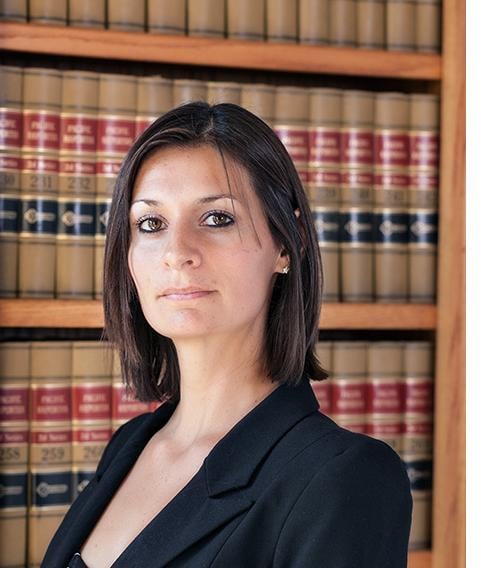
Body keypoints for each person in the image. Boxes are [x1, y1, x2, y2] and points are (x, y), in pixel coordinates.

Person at [42, 102, 412, 567]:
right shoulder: (130, 445)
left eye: (217, 218)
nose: (177, 252)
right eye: (151, 224)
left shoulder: (347, 478)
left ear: (287, 242)